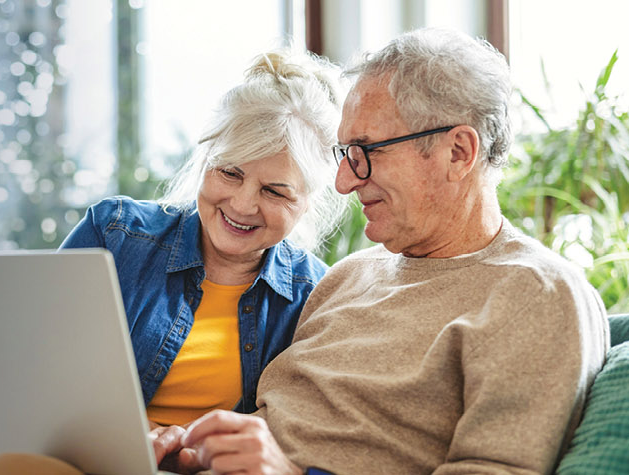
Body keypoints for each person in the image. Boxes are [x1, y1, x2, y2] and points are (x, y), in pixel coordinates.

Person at [141, 28, 610, 474]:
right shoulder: (346, 277)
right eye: (344, 154)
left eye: (367, 151)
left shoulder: (537, 295)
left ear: (458, 152)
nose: (345, 182)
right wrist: (193, 449)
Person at [0, 47, 347, 474]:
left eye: (274, 191)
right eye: (229, 172)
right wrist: (145, 435)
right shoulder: (115, 235)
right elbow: (31, 383)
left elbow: (294, 443)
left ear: (308, 201)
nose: (243, 203)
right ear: (204, 160)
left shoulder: (315, 297)